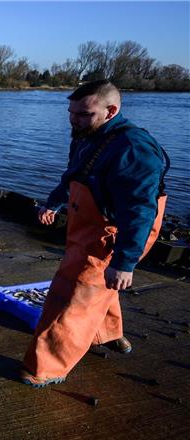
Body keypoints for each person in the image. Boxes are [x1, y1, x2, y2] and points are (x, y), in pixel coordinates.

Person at [21, 79, 170, 387]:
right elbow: (74, 174)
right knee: (99, 286)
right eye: (71, 112)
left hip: (118, 230)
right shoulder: (86, 135)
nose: (74, 119)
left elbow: (140, 211)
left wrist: (125, 261)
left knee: (73, 294)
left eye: (84, 114)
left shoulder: (133, 149)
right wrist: (54, 203)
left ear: (111, 110)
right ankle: (106, 333)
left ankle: (45, 367)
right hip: (86, 222)